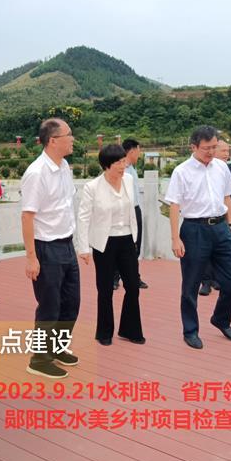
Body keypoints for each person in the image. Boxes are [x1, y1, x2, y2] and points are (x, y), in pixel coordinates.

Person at [167, 125, 231, 350]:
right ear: (194, 147)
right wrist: (175, 238)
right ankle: (190, 330)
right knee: (191, 283)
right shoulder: (181, 171)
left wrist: (230, 221)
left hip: (221, 228)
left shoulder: (221, 167)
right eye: (206, 148)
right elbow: (174, 205)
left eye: (214, 147)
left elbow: (227, 194)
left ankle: (221, 319)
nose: (211, 152)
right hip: (194, 229)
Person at [21, 118, 80, 379]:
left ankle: (57, 348)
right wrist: (31, 258)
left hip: (66, 244)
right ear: (53, 141)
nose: (73, 139)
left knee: (71, 303)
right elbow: (27, 217)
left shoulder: (64, 166)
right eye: (69, 135)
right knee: (49, 306)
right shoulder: (37, 173)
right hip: (46, 248)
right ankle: (39, 360)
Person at [77, 144, 144, 346]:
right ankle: (104, 332)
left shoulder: (128, 180)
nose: (123, 166)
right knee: (105, 288)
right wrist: (83, 248)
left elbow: (133, 211)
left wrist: (136, 238)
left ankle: (130, 330)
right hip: (104, 242)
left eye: (124, 161)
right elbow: (83, 218)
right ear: (106, 165)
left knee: (132, 285)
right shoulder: (92, 187)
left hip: (127, 239)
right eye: (118, 163)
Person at [199, 139, 231, 296]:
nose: (226, 154)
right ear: (213, 151)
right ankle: (206, 281)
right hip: (204, 218)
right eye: (223, 151)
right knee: (205, 251)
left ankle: (218, 279)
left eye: (228, 151)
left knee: (221, 250)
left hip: (223, 217)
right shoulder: (202, 169)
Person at [112, 138, 148, 290]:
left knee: (135, 246)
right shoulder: (120, 169)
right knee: (121, 244)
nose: (139, 155)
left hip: (135, 210)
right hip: (124, 211)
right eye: (138, 151)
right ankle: (114, 278)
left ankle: (134, 277)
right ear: (132, 151)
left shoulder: (132, 169)